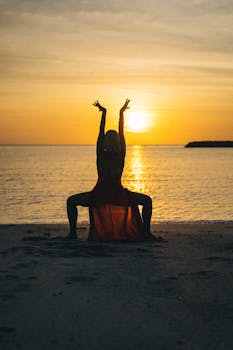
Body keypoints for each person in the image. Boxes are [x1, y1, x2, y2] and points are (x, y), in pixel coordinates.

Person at [66, 99, 153, 240]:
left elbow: (101, 132)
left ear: (105, 141)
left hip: (99, 196)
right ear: (118, 142)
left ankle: (72, 233)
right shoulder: (121, 155)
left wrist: (104, 112)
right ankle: (147, 232)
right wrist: (121, 112)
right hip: (119, 196)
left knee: (71, 201)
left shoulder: (101, 155)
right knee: (147, 201)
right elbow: (121, 131)